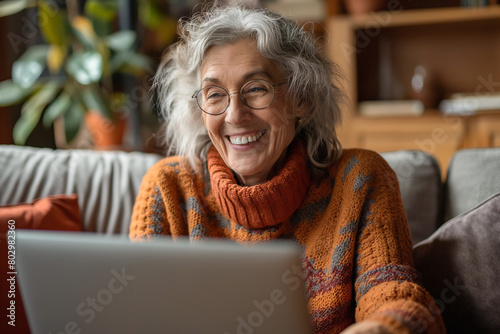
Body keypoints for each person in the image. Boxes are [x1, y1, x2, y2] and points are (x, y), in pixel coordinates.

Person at [129, 3, 445, 334]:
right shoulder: (168, 189)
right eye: (215, 94)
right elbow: (134, 314)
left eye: (256, 89)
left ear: (301, 98)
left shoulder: (360, 179)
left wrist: (382, 328)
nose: (235, 115)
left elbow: (393, 294)